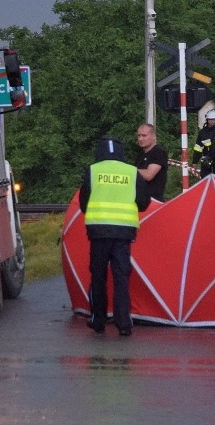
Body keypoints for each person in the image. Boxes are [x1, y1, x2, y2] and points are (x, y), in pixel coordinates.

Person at [80, 137, 151, 336]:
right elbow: (143, 202)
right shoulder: (131, 172)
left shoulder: (93, 171)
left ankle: (98, 320)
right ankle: (124, 323)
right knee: (121, 277)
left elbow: (83, 202)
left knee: (98, 275)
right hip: (123, 232)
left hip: (98, 231)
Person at [191, 109, 215, 178]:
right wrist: (195, 162)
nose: (211, 121)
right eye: (210, 120)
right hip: (206, 162)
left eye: (213, 120)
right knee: (205, 181)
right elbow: (198, 149)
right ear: (207, 120)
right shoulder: (203, 132)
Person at [135, 123, 168, 202]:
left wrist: (129, 169)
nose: (140, 139)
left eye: (144, 135)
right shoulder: (140, 155)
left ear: (153, 136)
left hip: (153, 201)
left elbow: (148, 175)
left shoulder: (158, 153)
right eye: (139, 136)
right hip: (140, 200)